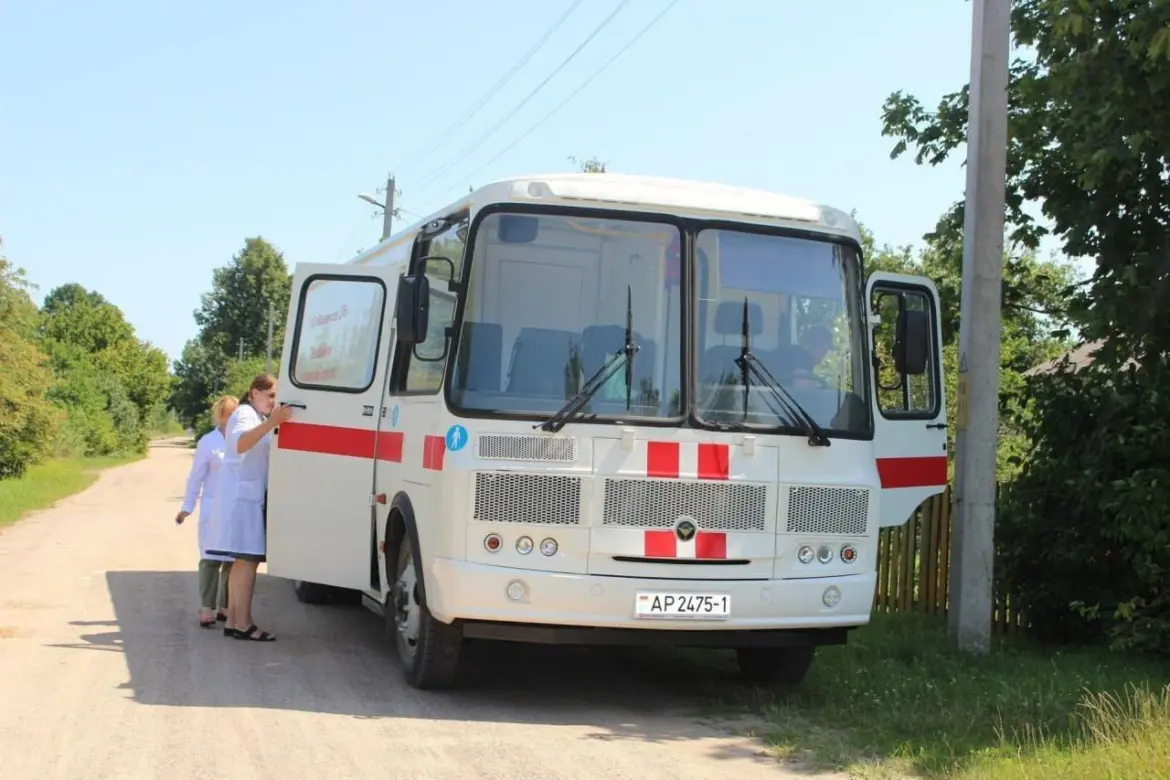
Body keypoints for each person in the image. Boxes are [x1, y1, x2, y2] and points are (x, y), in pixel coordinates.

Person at [205, 373, 292, 642]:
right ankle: (243, 624)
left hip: (246, 499)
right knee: (246, 565)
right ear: (254, 393)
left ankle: (233, 621)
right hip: (241, 502)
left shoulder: (256, 417)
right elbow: (241, 444)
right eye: (271, 396)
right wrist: (273, 423)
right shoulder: (244, 413)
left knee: (242, 564)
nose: (273, 402)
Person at [176, 395, 239, 628]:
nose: (232, 419)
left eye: (236, 414)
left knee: (233, 560)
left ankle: (225, 606)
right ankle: (206, 606)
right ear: (221, 416)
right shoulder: (208, 442)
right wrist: (187, 507)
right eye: (229, 414)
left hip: (236, 507)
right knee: (211, 558)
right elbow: (196, 477)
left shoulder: (244, 440)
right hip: (213, 507)